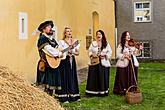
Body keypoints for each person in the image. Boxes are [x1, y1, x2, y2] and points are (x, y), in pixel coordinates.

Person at [55, 27, 81, 103]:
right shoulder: (61, 42)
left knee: (72, 77)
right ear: (65, 33)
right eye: (67, 31)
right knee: (64, 77)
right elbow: (61, 51)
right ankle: (64, 96)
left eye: (70, 31)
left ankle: (73, 96)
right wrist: (67, 50)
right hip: (64, 61)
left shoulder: (75, 42)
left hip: (72, 60)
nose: (69, 32)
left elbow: (77, 53)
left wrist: (72, 52)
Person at [36, 20, 62, 96]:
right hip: (46, 65)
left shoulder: (52, 40)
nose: (51, 28)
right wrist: (58, 53)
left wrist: (64, 50)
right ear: (43, 29)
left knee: (51, 87)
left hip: (53, 64)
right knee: (46, 87)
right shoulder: (42, 38)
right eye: (48, 27)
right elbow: (48, 49)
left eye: (51, 27)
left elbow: (59, 48)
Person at [113, 31, 142, 95]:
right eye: (127, 35)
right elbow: (118, 54)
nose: (128, 36)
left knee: (132, 76)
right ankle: (123, 89)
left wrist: (139, 49)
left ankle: (132, 89)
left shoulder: (132, 44)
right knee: (123, 77)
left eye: (129, 35)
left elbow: (136, 53)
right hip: (124, 63)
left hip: (132, 63)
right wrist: (125, 56)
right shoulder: (121, 45)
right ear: (124, 37)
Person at [85, 30, 112, 96]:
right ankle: (92, 91)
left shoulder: (106, 43)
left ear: (102, 35)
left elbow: (110, 52)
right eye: (97, 34)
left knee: (102, 76)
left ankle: (103, 91)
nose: (98, 35)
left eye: (100, 34)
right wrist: (92, 55)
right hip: (94, 62)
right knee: (93, 76)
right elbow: (89, 51)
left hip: (103, 62)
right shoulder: (93, 43)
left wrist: (105, 56)